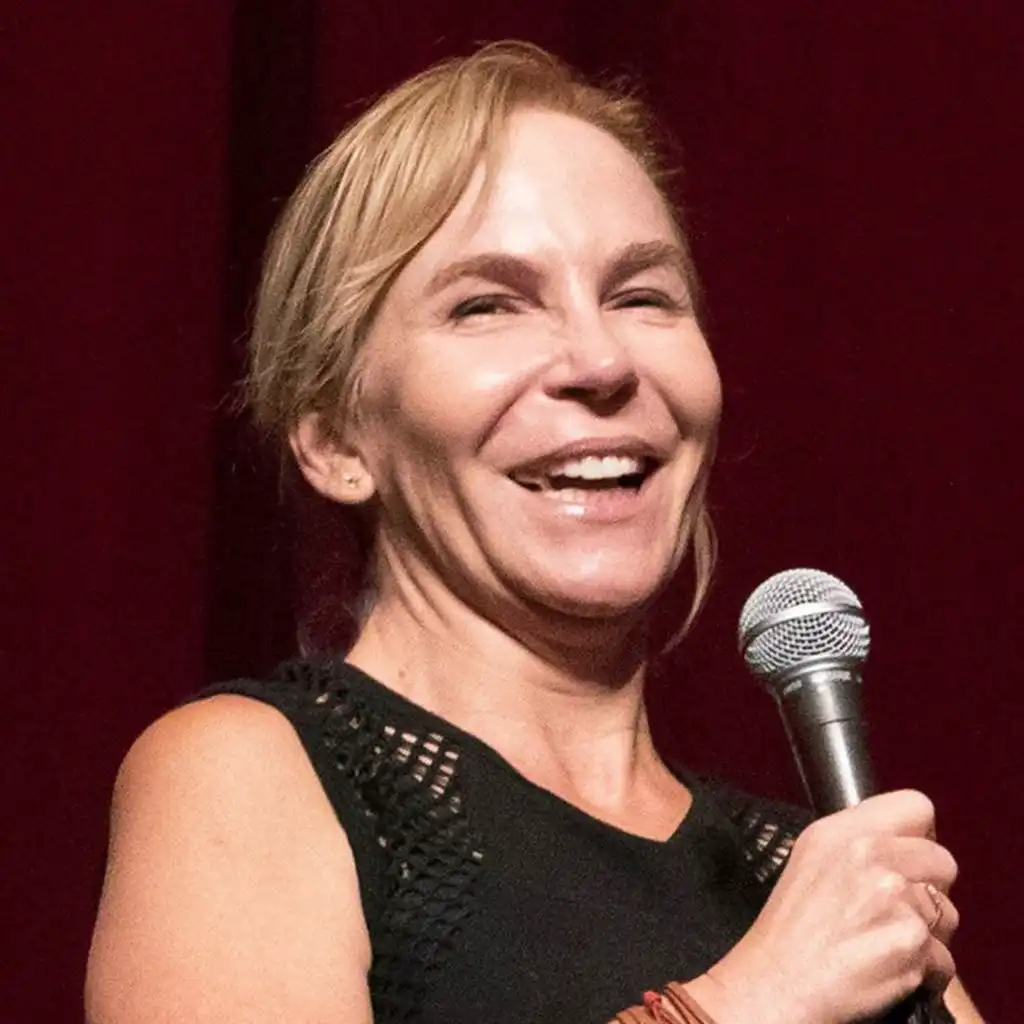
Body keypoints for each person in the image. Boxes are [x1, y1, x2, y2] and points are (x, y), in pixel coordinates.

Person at [86, 42, 982, 1024]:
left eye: (640, 296)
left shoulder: (818, 881)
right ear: (338, 437)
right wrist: (752, 1001)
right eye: (488, 305)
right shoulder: (255, 773)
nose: (600, 362)